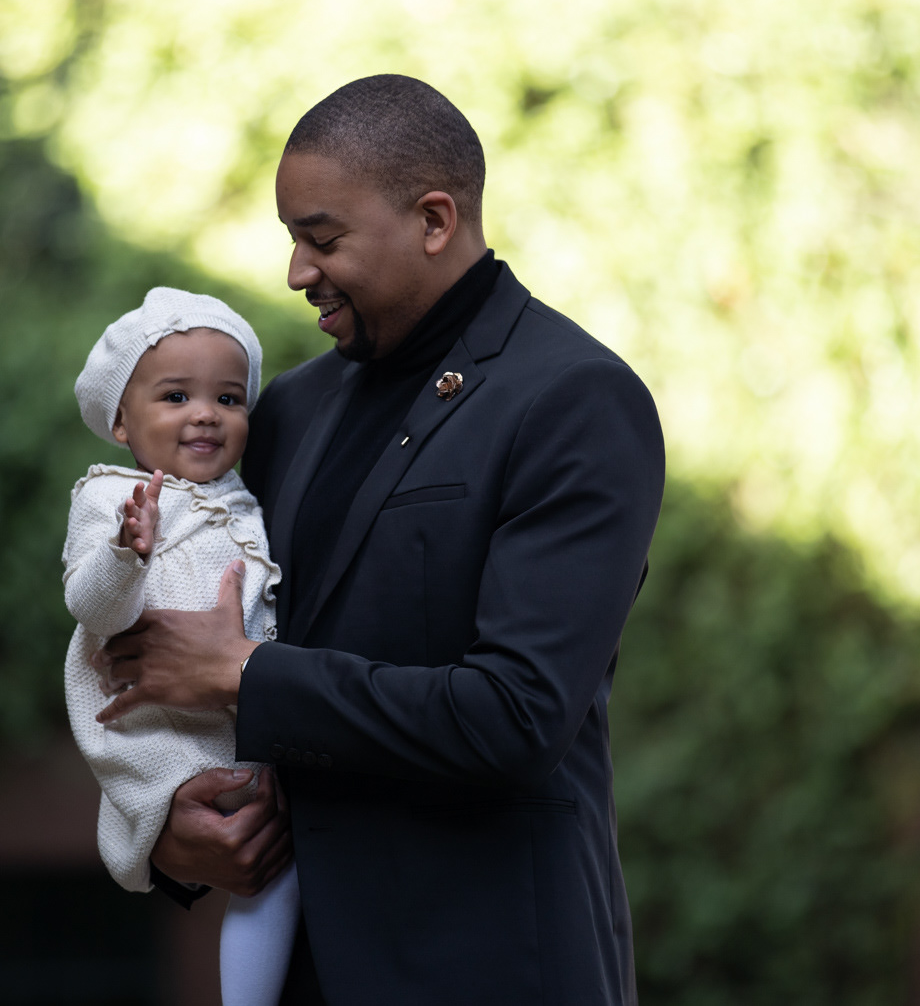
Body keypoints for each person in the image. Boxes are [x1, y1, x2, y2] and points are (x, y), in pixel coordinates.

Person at [98, 75, 665, 1004]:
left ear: (434, 220)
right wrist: (165, 829)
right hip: (296, 969)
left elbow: (516, 715)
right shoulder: (287, 408)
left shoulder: (575, 399)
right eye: (291, 239)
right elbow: (175, 635)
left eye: (322, 239)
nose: (297, 271)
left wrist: (245, 675)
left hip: (490, 973)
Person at [61, 288, 300, 1006]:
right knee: (248, 861)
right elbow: (92, 607)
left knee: (273, 871)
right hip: (162, 732)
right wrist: (125, 554)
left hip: (246, 726)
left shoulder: (247, 502)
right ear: (119, 420)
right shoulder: (109, 500)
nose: (205, 413)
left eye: (229, 398)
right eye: (175, 396)